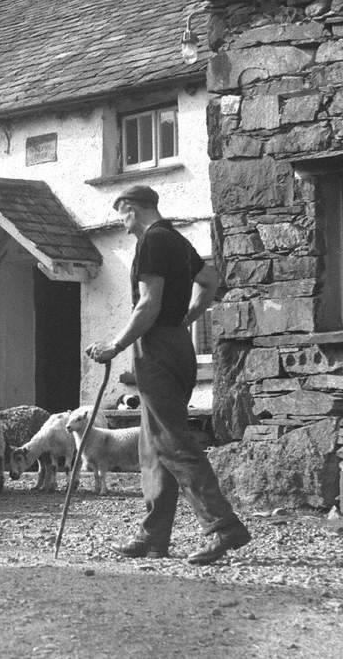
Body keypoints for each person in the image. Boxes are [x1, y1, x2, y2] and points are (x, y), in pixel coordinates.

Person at [85, 184, 251, 566]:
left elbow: (148, 303)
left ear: (131, 208)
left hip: (156, 347)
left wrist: (115, 345)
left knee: (172, 442)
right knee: (152, 443)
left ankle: (223, 526)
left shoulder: (151, 241)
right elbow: (208, 281)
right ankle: (154, 536)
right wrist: (188, 319)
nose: (124, 227)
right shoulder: (177, 240)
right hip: (178, 344)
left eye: (123, 217)